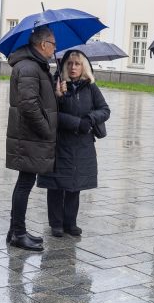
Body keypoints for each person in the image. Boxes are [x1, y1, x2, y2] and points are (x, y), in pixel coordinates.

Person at [37, 50, 110, 236]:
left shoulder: (90, 87)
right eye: (69, 64)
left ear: (83, 67)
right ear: (64, 66)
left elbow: (105, 110)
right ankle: (56, 223)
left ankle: (71, 222)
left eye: (77, 64)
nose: (73, 67)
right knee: (56, 184)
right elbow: (51, 114)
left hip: (82, 144)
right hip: (60, 143)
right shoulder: (57, 85)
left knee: (74, 185)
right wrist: (58, 98)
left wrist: (90, 118)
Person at [5, 25, 57, 251]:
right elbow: (28, 105)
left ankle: (14, 230)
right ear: (43, 44)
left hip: (28, 136)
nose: (55, 49)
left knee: (23, 183)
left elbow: (38, 97)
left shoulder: (35, 65)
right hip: (30, 136)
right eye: (53, 44)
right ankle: (18, 233)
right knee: (25, 184)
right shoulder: (29, 67)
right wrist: (46, 129)